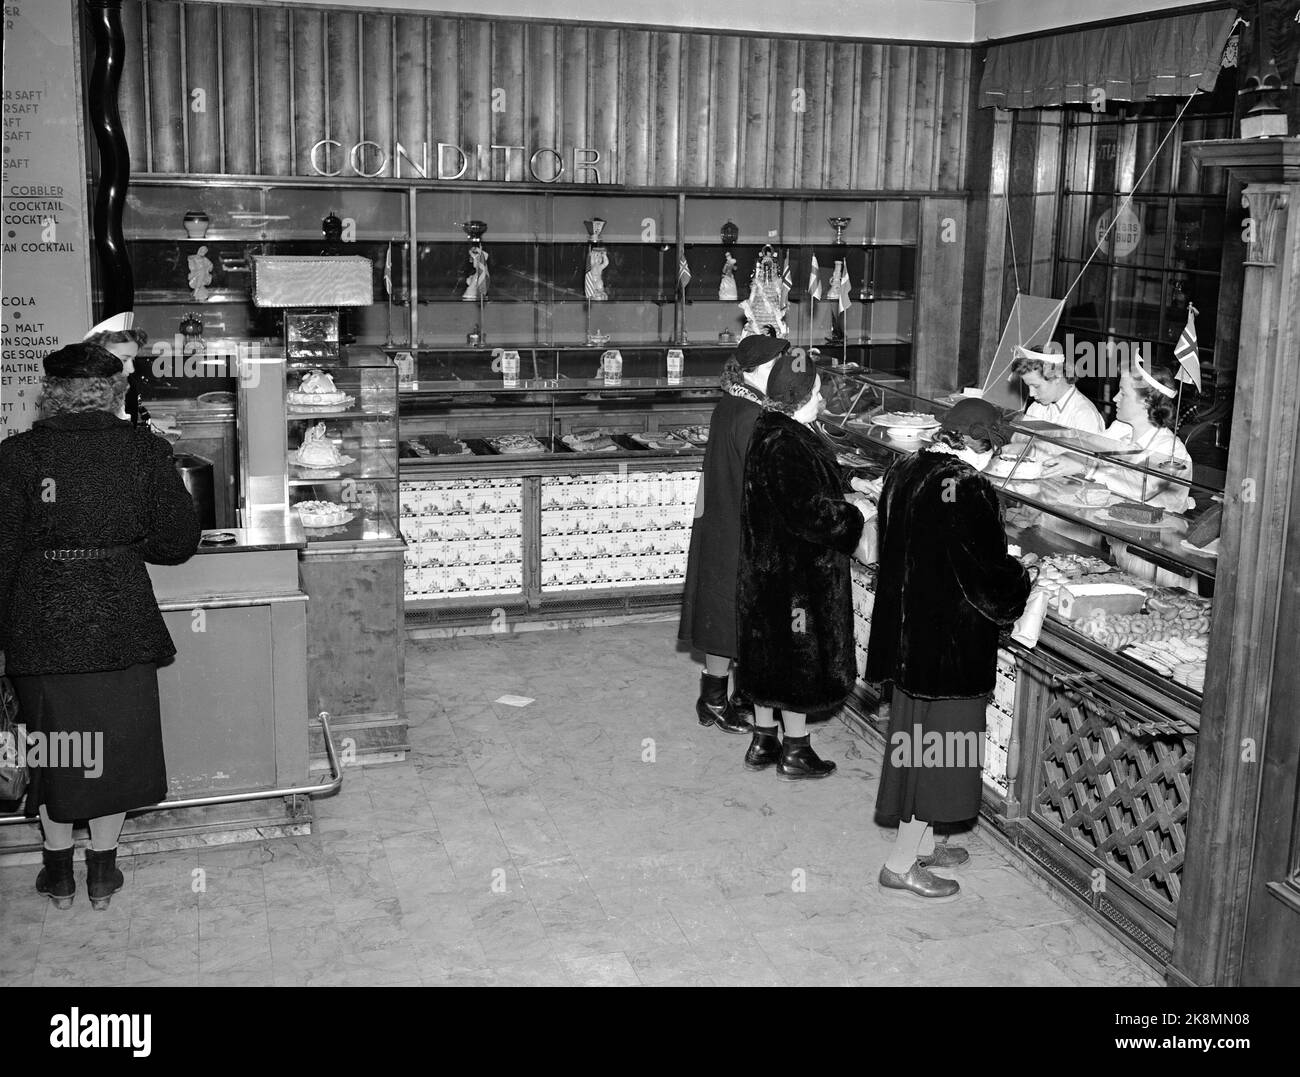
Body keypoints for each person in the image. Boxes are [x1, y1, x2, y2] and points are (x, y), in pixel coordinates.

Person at [0, 343, 201, 911]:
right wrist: (117, 547)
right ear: (115, 392)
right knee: (116, 748)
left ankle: (58, 875)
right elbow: (176, 543)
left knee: (53, 749)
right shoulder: (143, 449)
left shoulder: (15, 456)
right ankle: (103, 876)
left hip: (39, 625)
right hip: (120, 619)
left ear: (51, 393)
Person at [867, 398, 1031, 898]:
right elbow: (984, 577)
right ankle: (901, 863)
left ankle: (922, 844)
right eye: (994, 449)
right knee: (938, 757)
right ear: (979, 445)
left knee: (914, 745)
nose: (995, 459)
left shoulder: (906, 467)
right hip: (951, 649)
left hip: (908, 638)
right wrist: (1022, 577)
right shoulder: (972, 488)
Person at [735, 352, 870, 779]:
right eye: (814, 392)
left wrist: (848, 482)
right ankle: (795, 752)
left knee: (766, 656)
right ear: (797, 398)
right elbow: (809, 514)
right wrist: (856, 514)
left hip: (766, 571)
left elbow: (805, 481)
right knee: (797, 658)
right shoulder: (787, 442)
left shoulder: (774, 429)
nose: (821, 399)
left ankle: (763, 741)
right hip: (796, 579)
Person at [679, 333, 788, 735]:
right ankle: (718, 702)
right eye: (780, 363)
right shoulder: (752, 414)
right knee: (731, 616)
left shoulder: (733, 403)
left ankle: (718, 700)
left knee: (723, 615)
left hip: (723, 519)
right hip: (739, 525)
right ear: (762, 369)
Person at [1098, 360, 1196, 589]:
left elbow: (1141, 496)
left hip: (1157, 560)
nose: (1114, 399)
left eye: (1122, 393)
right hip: (1121, 542)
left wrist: (1097, 470)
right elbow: (1090, 461)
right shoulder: (1121, 430)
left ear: (1146, 402)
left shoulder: (1171, 452)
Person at [1011, 344, 1105, 435]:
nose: (1031, 394)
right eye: (1028, 386)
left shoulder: (1085, 416)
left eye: (1036, 386)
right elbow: (1018, 440)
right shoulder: (1036, 408)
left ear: (1057, 376)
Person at [84, 313, 151, 427]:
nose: (131, 369)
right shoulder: (80, 400)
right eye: (124, 359)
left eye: (132, 359)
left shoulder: (129, 387)